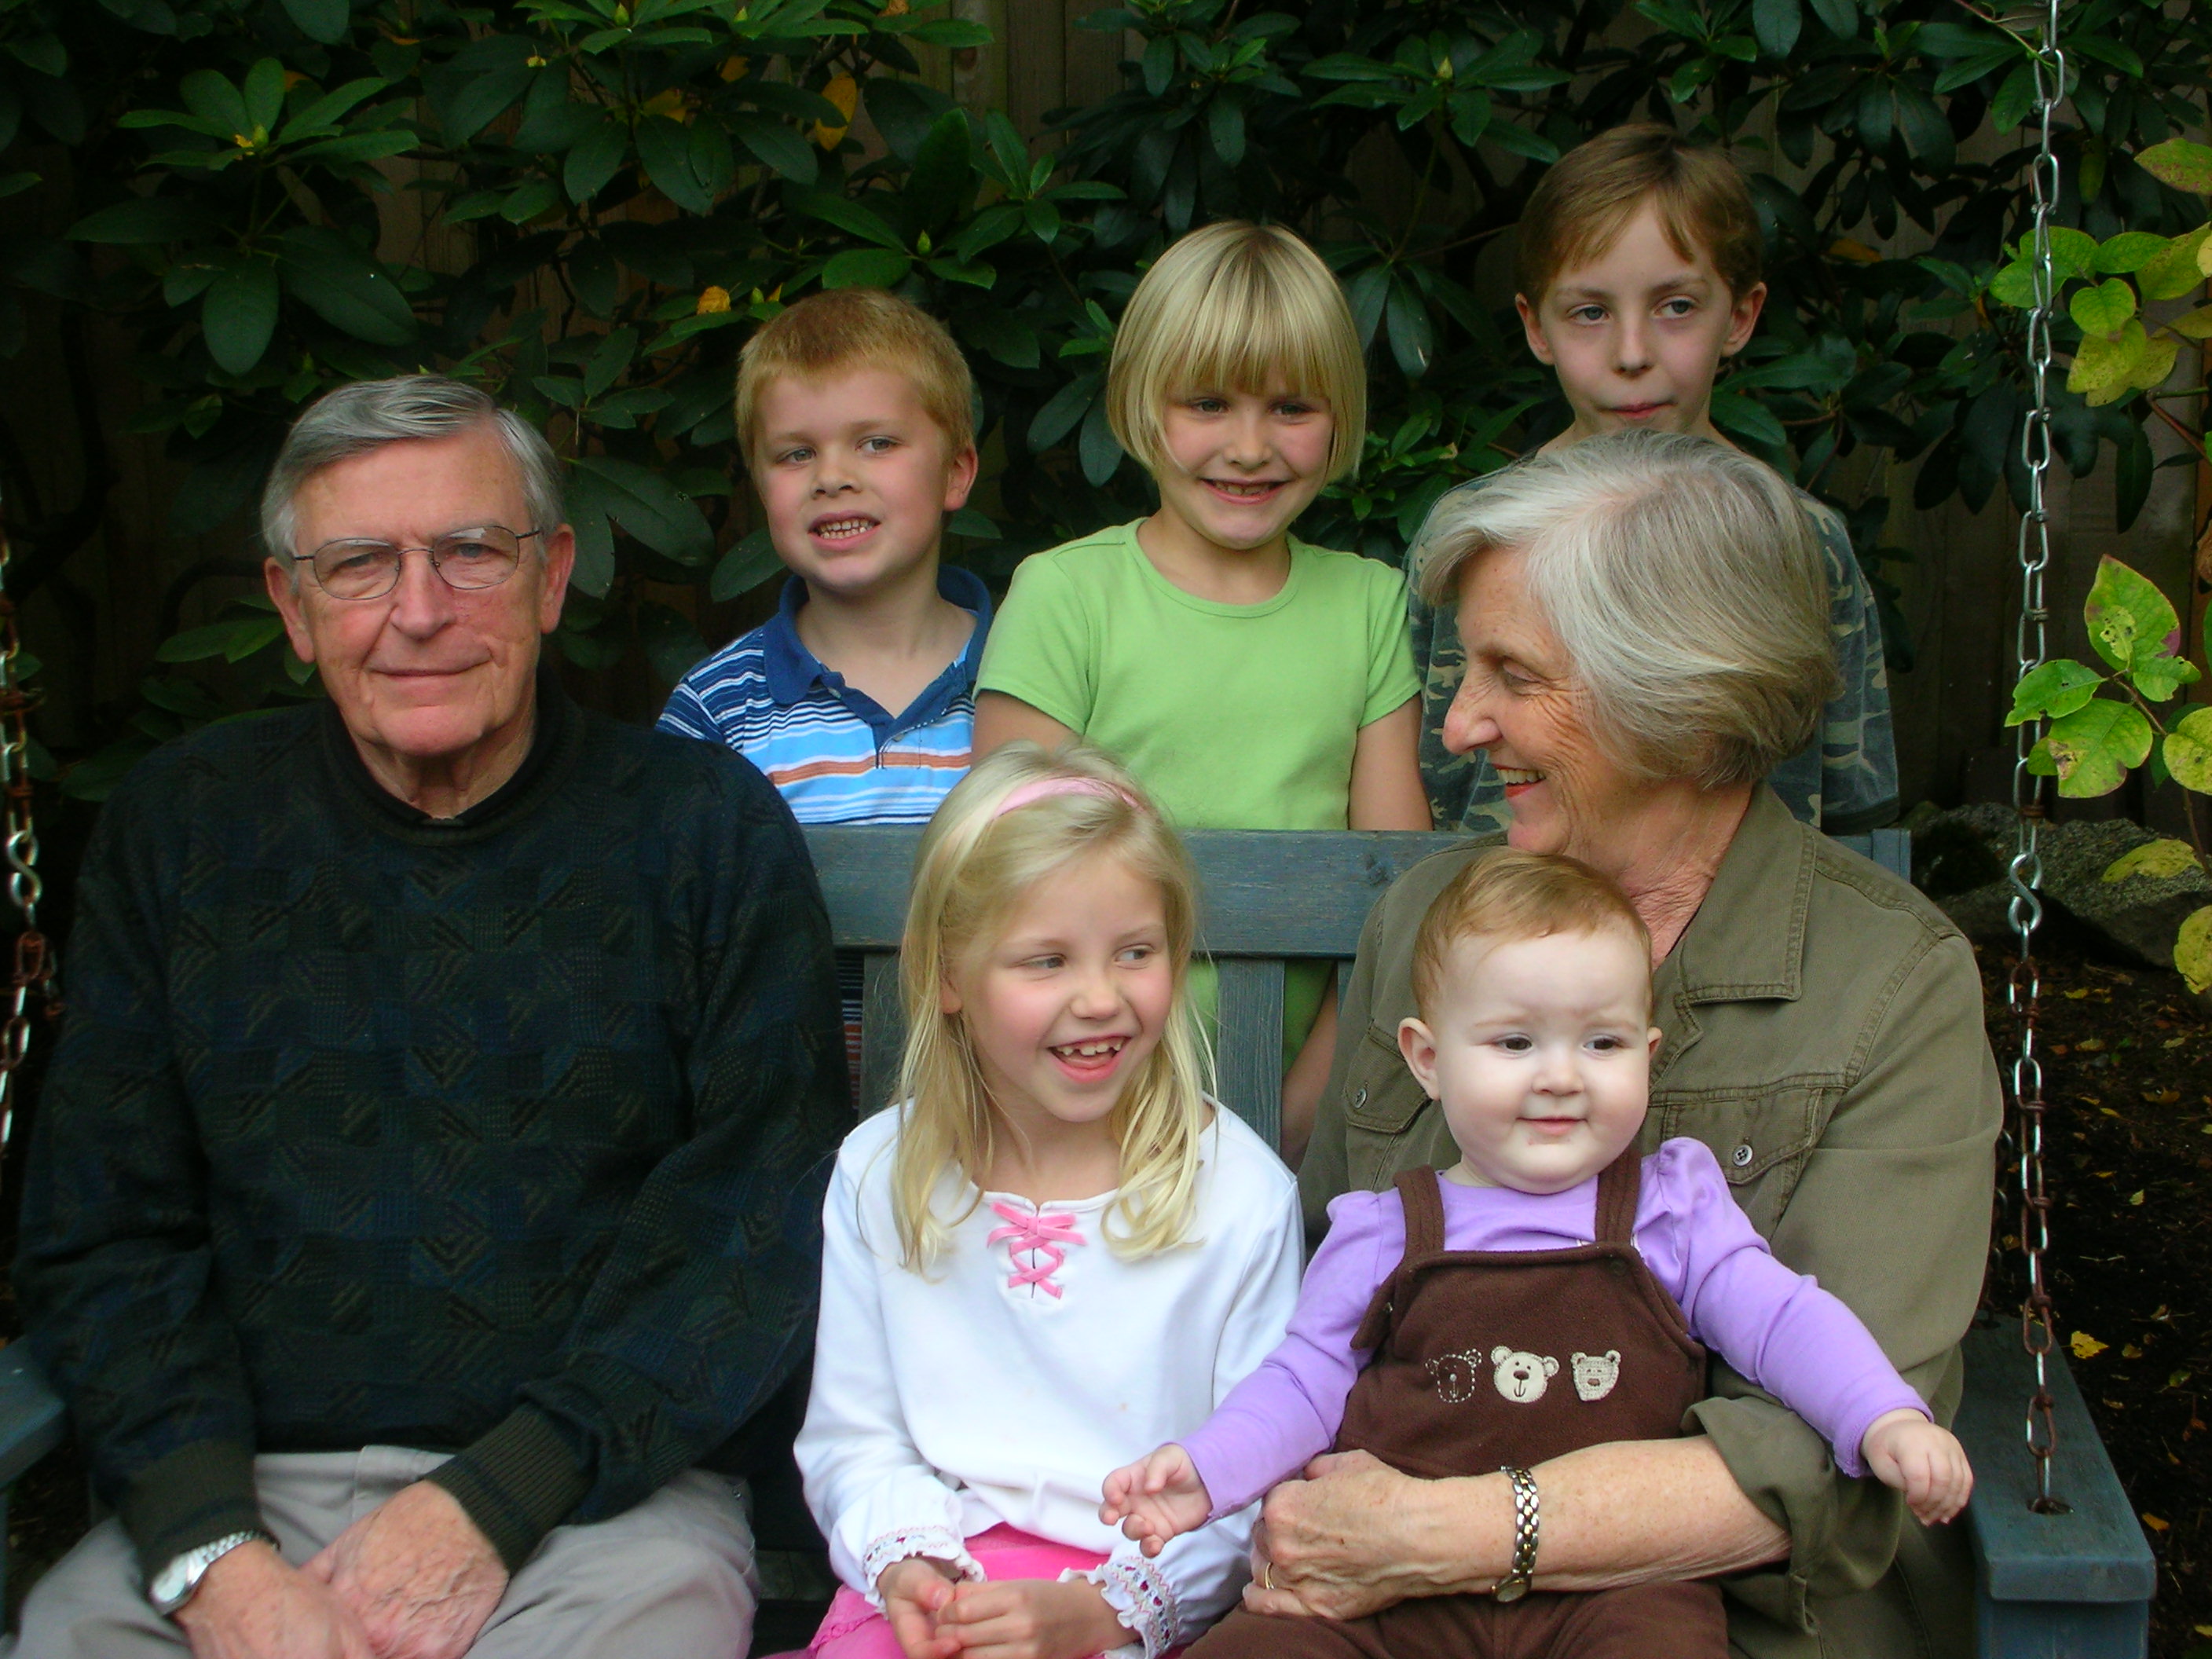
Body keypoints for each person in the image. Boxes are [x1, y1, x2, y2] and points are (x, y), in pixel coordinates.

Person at [13, 375, 848, 1659]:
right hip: (236, 1500)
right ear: (292, 606)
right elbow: (104, 1228)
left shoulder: (701, 831)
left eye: (470, 551)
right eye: (359, 564)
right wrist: (213, 1554)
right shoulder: (182, 831)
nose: (419, 610)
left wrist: (498, 1496)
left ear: (551, 577)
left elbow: (755, 1225)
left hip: (596, 1503)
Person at [1284, 430, 2000, 1658]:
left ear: (1680, 695)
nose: (1459, 726)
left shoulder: (1891, 984)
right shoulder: (1429, 922)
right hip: (1396, 1614)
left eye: (1514, 674)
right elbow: (1321, 1295)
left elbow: (1828, 1459)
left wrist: (1460, 1531)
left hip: (1727, 1619)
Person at [1103, 851, 1971, 1659]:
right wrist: (1210, 1471)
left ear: (1648, 1054)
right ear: (1427, 1060)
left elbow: (1783, 1321)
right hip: (1391, 1598)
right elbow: (1303, 1381)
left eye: (1602, 1043)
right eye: (1515, 1043)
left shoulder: (1671, 1212)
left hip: (1614, 1591)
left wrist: (1882, 1415)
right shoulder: (1385, 1231)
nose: (1561, 1076)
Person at [793, 745, 1302, 1659]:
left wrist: (1104, 1612)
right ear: (949, 976)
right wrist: (910, 1565)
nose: (1099, 998)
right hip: (935, 1588)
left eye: (1135, 953)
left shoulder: (1236, 1194)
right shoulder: (883, 1175)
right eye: (1046, 961)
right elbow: (855, 1439)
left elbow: (1253, 1480)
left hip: (1142, 1599)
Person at [972, 220, 1430, 1164]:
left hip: (1300, 1115)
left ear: (1339, 416)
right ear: (1143, 404)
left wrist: (1303, 1105)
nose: (1249, 447)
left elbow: (1391, 899)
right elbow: (1009, 882)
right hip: (1076, 1103)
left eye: (1291, 407)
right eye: (1208, 403)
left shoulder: (1369, 606)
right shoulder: (1064, 596)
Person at [1408, 124, 1896, 837]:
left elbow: (1857, 815)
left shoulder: (1805, 542)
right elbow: (1432, 782)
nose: (1632, 353)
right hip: (1510, 900)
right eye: (1590, 312)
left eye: (1676, 306)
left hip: (1750, 908)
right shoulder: (1474, 534)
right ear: (1535, 327)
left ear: (1742, 314)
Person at [660, 287, 990, 1101]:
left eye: (876, 443)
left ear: (955, 472)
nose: (833, 478)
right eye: (794, 454)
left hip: (1006, 1129)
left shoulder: (1030, 680)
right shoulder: (718, 708)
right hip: (787, 1118)